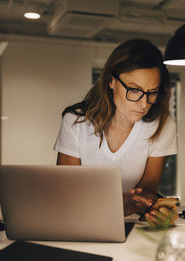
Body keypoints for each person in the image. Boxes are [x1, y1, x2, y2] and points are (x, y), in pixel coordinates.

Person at [54, 39, 178, 227]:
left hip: (131, 223)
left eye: (152, 92)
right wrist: (113, 205)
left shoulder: (162, 124)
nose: (144, 104)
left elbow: (149, 188)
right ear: (111, 81)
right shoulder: (76, 121)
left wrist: (142, 204)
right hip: (80, 219)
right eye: (135, 90)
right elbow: (65, 190)